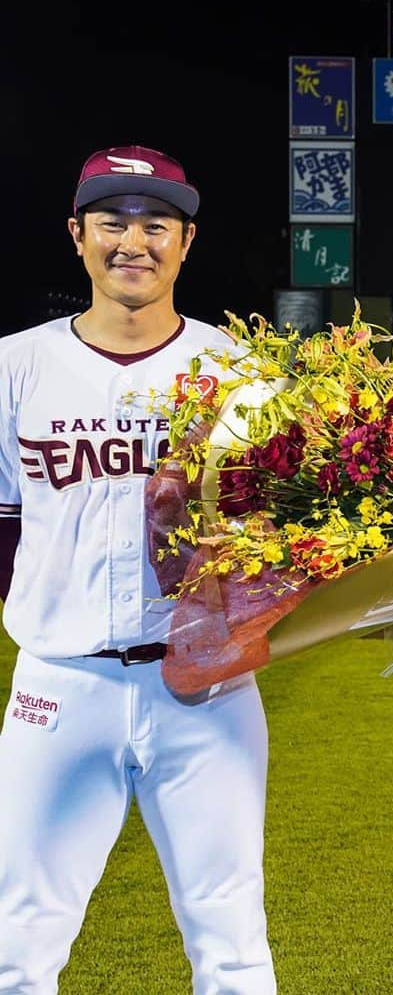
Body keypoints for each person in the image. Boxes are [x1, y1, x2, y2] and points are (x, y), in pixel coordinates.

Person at [0, 145, 276, 993]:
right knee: (19, 940)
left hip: (208, 692)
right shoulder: (15, 365)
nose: (134, 240)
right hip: (60, 684)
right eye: (113, 221)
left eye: (156, 223)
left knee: (231, 941)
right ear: (78, 234)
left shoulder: (239, 370)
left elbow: (282, 532)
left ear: (185, 242)